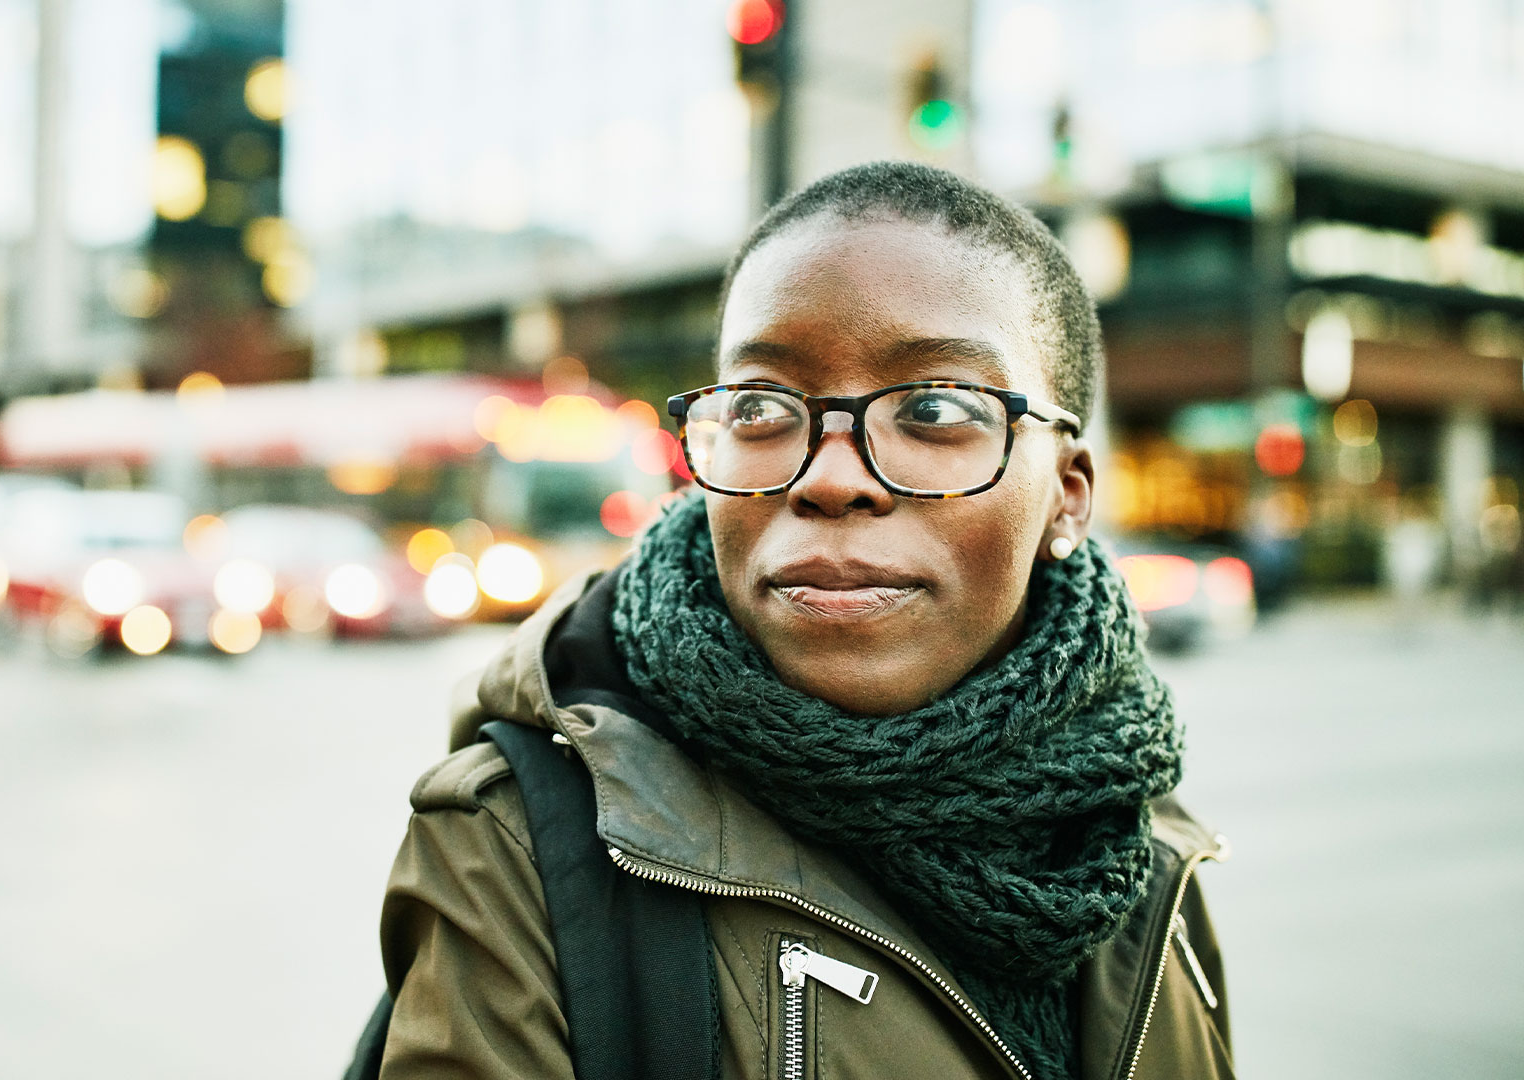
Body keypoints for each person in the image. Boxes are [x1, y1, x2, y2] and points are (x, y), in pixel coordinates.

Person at [372, 162, 1231, 1079]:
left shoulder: (1136, 841)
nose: (829, 476)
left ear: (1066, 496)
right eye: (760, 405)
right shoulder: (517, 851)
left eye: (934, 408)